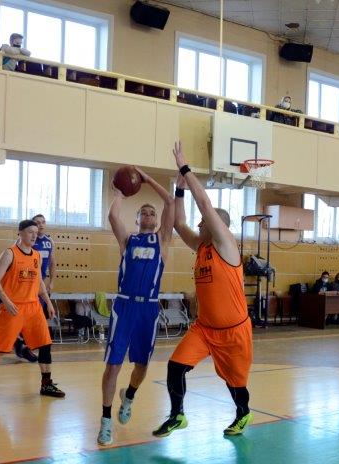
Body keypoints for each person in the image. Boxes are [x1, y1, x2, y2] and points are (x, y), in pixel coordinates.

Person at [152, 141, 253, 438]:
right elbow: (179, 223)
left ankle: (243, 414)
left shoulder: (226, 245)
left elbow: (205, 206)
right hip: (205, 329)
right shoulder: (201, 247)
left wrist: (186, 168)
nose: (198, 225)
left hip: (234, 331)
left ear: (216, 225)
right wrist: (179, 189)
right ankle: (177, 415)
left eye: (203, 223)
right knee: (175, 366)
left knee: (236, 383)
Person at [97, 167, 175, 446]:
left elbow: (170, 202)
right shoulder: (127, 240)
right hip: (124, 306)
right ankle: (106, 422)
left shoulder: (163, 240)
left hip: (148, 309)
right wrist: (120, 192)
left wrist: (146, 178)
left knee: (141, 365)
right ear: (138, 218)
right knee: (113, 365)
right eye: (144, 212)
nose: (149, 215)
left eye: (152, 213)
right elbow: (112, 217)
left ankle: (128, 396)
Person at [0, 220, 65, 398]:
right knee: (0, 349)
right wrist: (7, 301)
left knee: (45, 344)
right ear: (20, 232)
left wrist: (48, 303)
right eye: (30, 232)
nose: (34, 235)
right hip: (13, 308)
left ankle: (46, 384)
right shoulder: (9, 254)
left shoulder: (36, 255)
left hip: (33, 307)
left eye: (36, 232)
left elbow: (39, 282)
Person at [13, 213, 56, 362]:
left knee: (35, 317)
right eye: (37, 222)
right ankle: (21, 343)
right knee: (25, 316)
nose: (41, 225)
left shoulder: (49, 241)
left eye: (43, 222)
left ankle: (24, 345)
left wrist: (52, 281)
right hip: (26, 284)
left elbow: (52, 263)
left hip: (40, 283)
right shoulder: (25, 241)